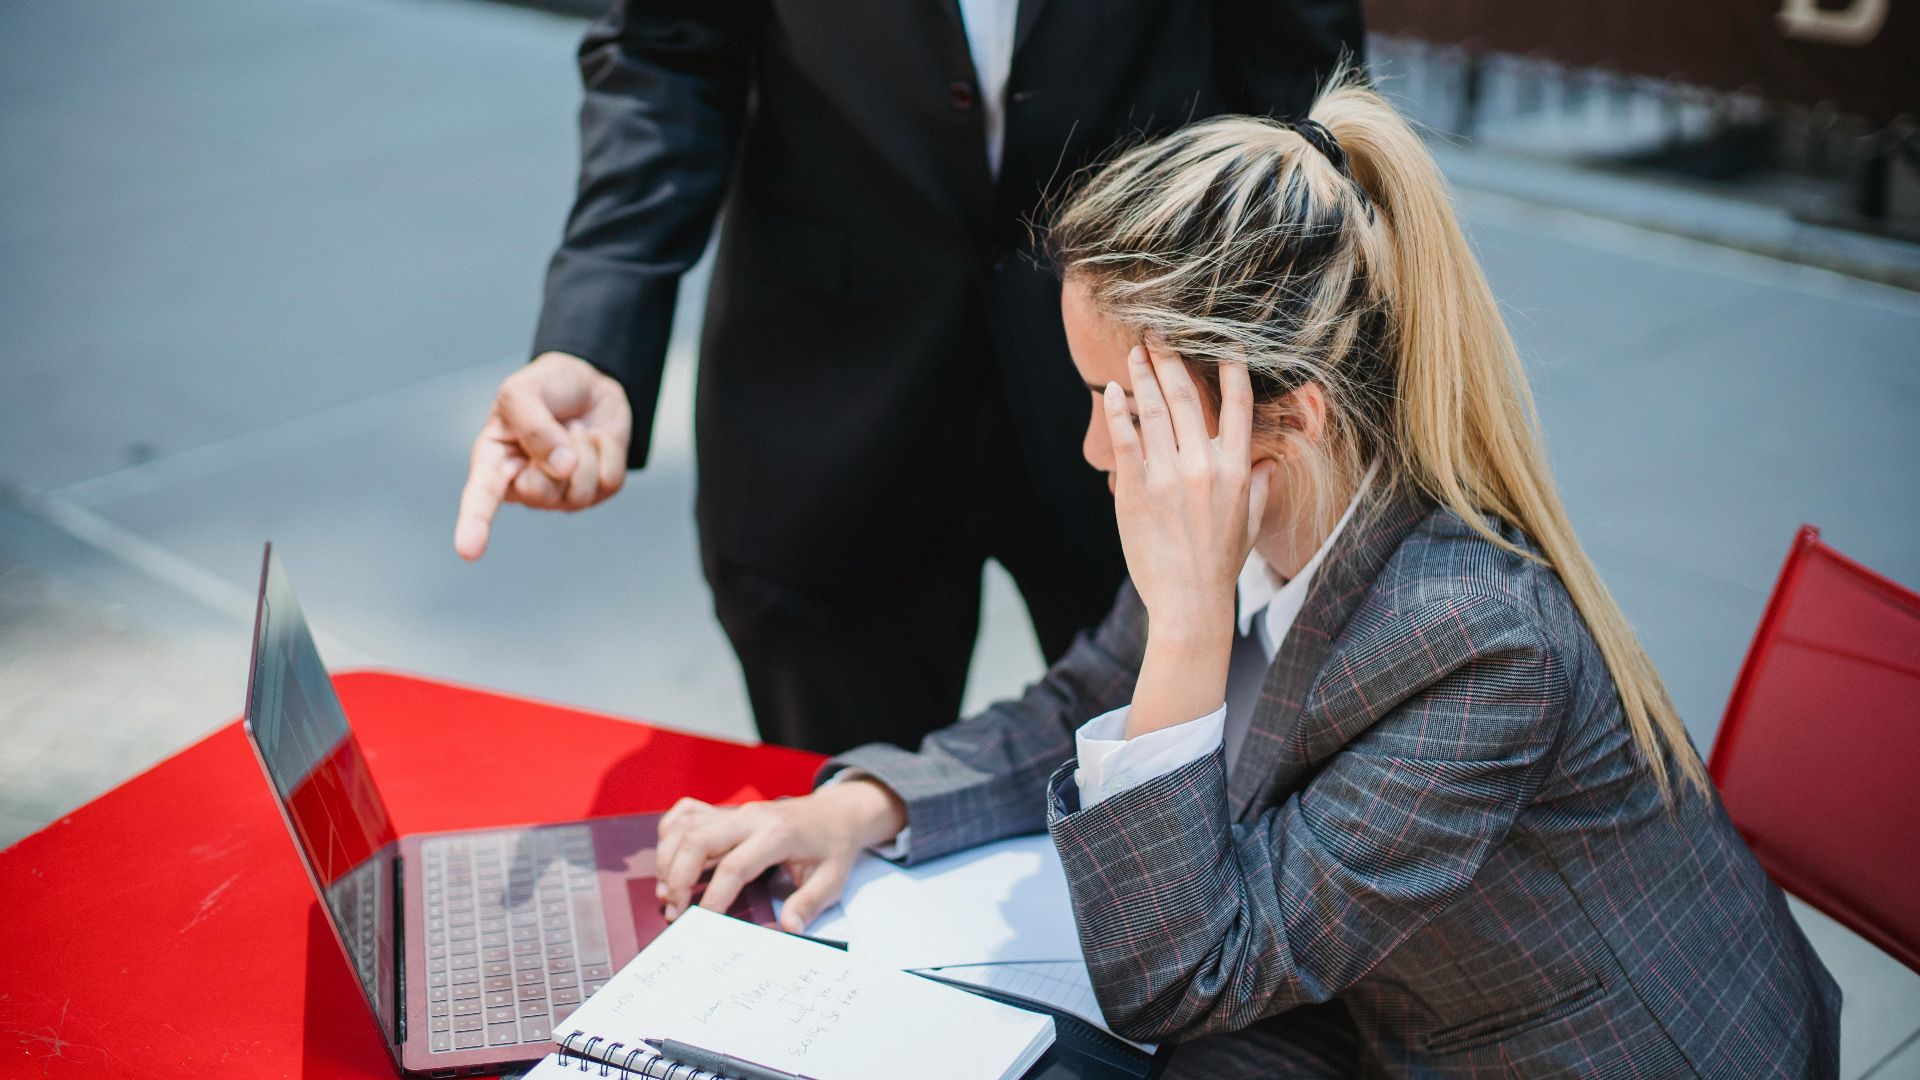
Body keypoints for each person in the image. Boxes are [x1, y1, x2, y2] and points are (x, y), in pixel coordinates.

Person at [642, 71, 1843, 1075]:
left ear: (1291, 416)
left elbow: (1181, 975)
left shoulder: (1479, 647)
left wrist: (1185, 628)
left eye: (1126, 406)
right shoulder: (1260, 510)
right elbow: (1077, 710)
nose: (1094, 447)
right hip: (1370, 1003)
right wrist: (858, 805)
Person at [450, 0, 1366, 755]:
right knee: (840, 841)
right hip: (829, 397)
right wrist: (595, 335)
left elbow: (1303, 92)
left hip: (1144, 410)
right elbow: (667, 50)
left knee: (1162, 821)